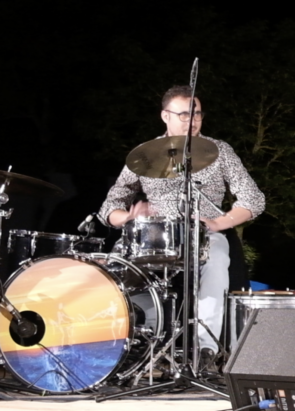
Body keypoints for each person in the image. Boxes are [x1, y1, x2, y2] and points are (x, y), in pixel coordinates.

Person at [99, 86, 265, 371]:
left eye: (197, 114)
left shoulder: (220, 151)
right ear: (165, 116)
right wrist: (127, 218)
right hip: (153, 237)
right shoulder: (145, 154)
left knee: (217, 259)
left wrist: (219, 223)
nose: (193, 121)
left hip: (204, 235)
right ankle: (121, 347)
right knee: (113, 268)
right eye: (184, 115)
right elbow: (109, 207)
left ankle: (205, 350)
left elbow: (253, 200)